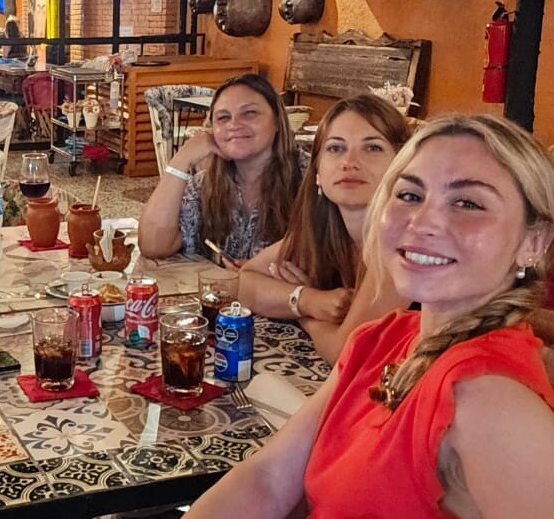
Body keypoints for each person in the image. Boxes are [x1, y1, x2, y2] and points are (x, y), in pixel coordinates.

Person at [185, 114, 554, 518]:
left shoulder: (490, 399)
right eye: (410, 195)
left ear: (534, 242)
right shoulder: (383, 339)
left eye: (468, 203)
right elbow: (268, 478)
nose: (422, 222)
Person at [239, 95, 411, 363]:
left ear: (402, 167)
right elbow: (244, 282)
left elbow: (346, 353)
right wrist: (309, 300)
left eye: (373, 148)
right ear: (317, 171)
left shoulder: (402, 242)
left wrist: (307, 317)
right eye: (335, 148)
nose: (349, 162)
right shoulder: (322, 230)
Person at [139, 73, 304, 264]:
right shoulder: (205, 185)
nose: (233, 124)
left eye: (249, 113)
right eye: (223, 117)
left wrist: (260, 272)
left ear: (277, 121)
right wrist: (181, 160)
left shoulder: (312, 179)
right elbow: (153, 245)